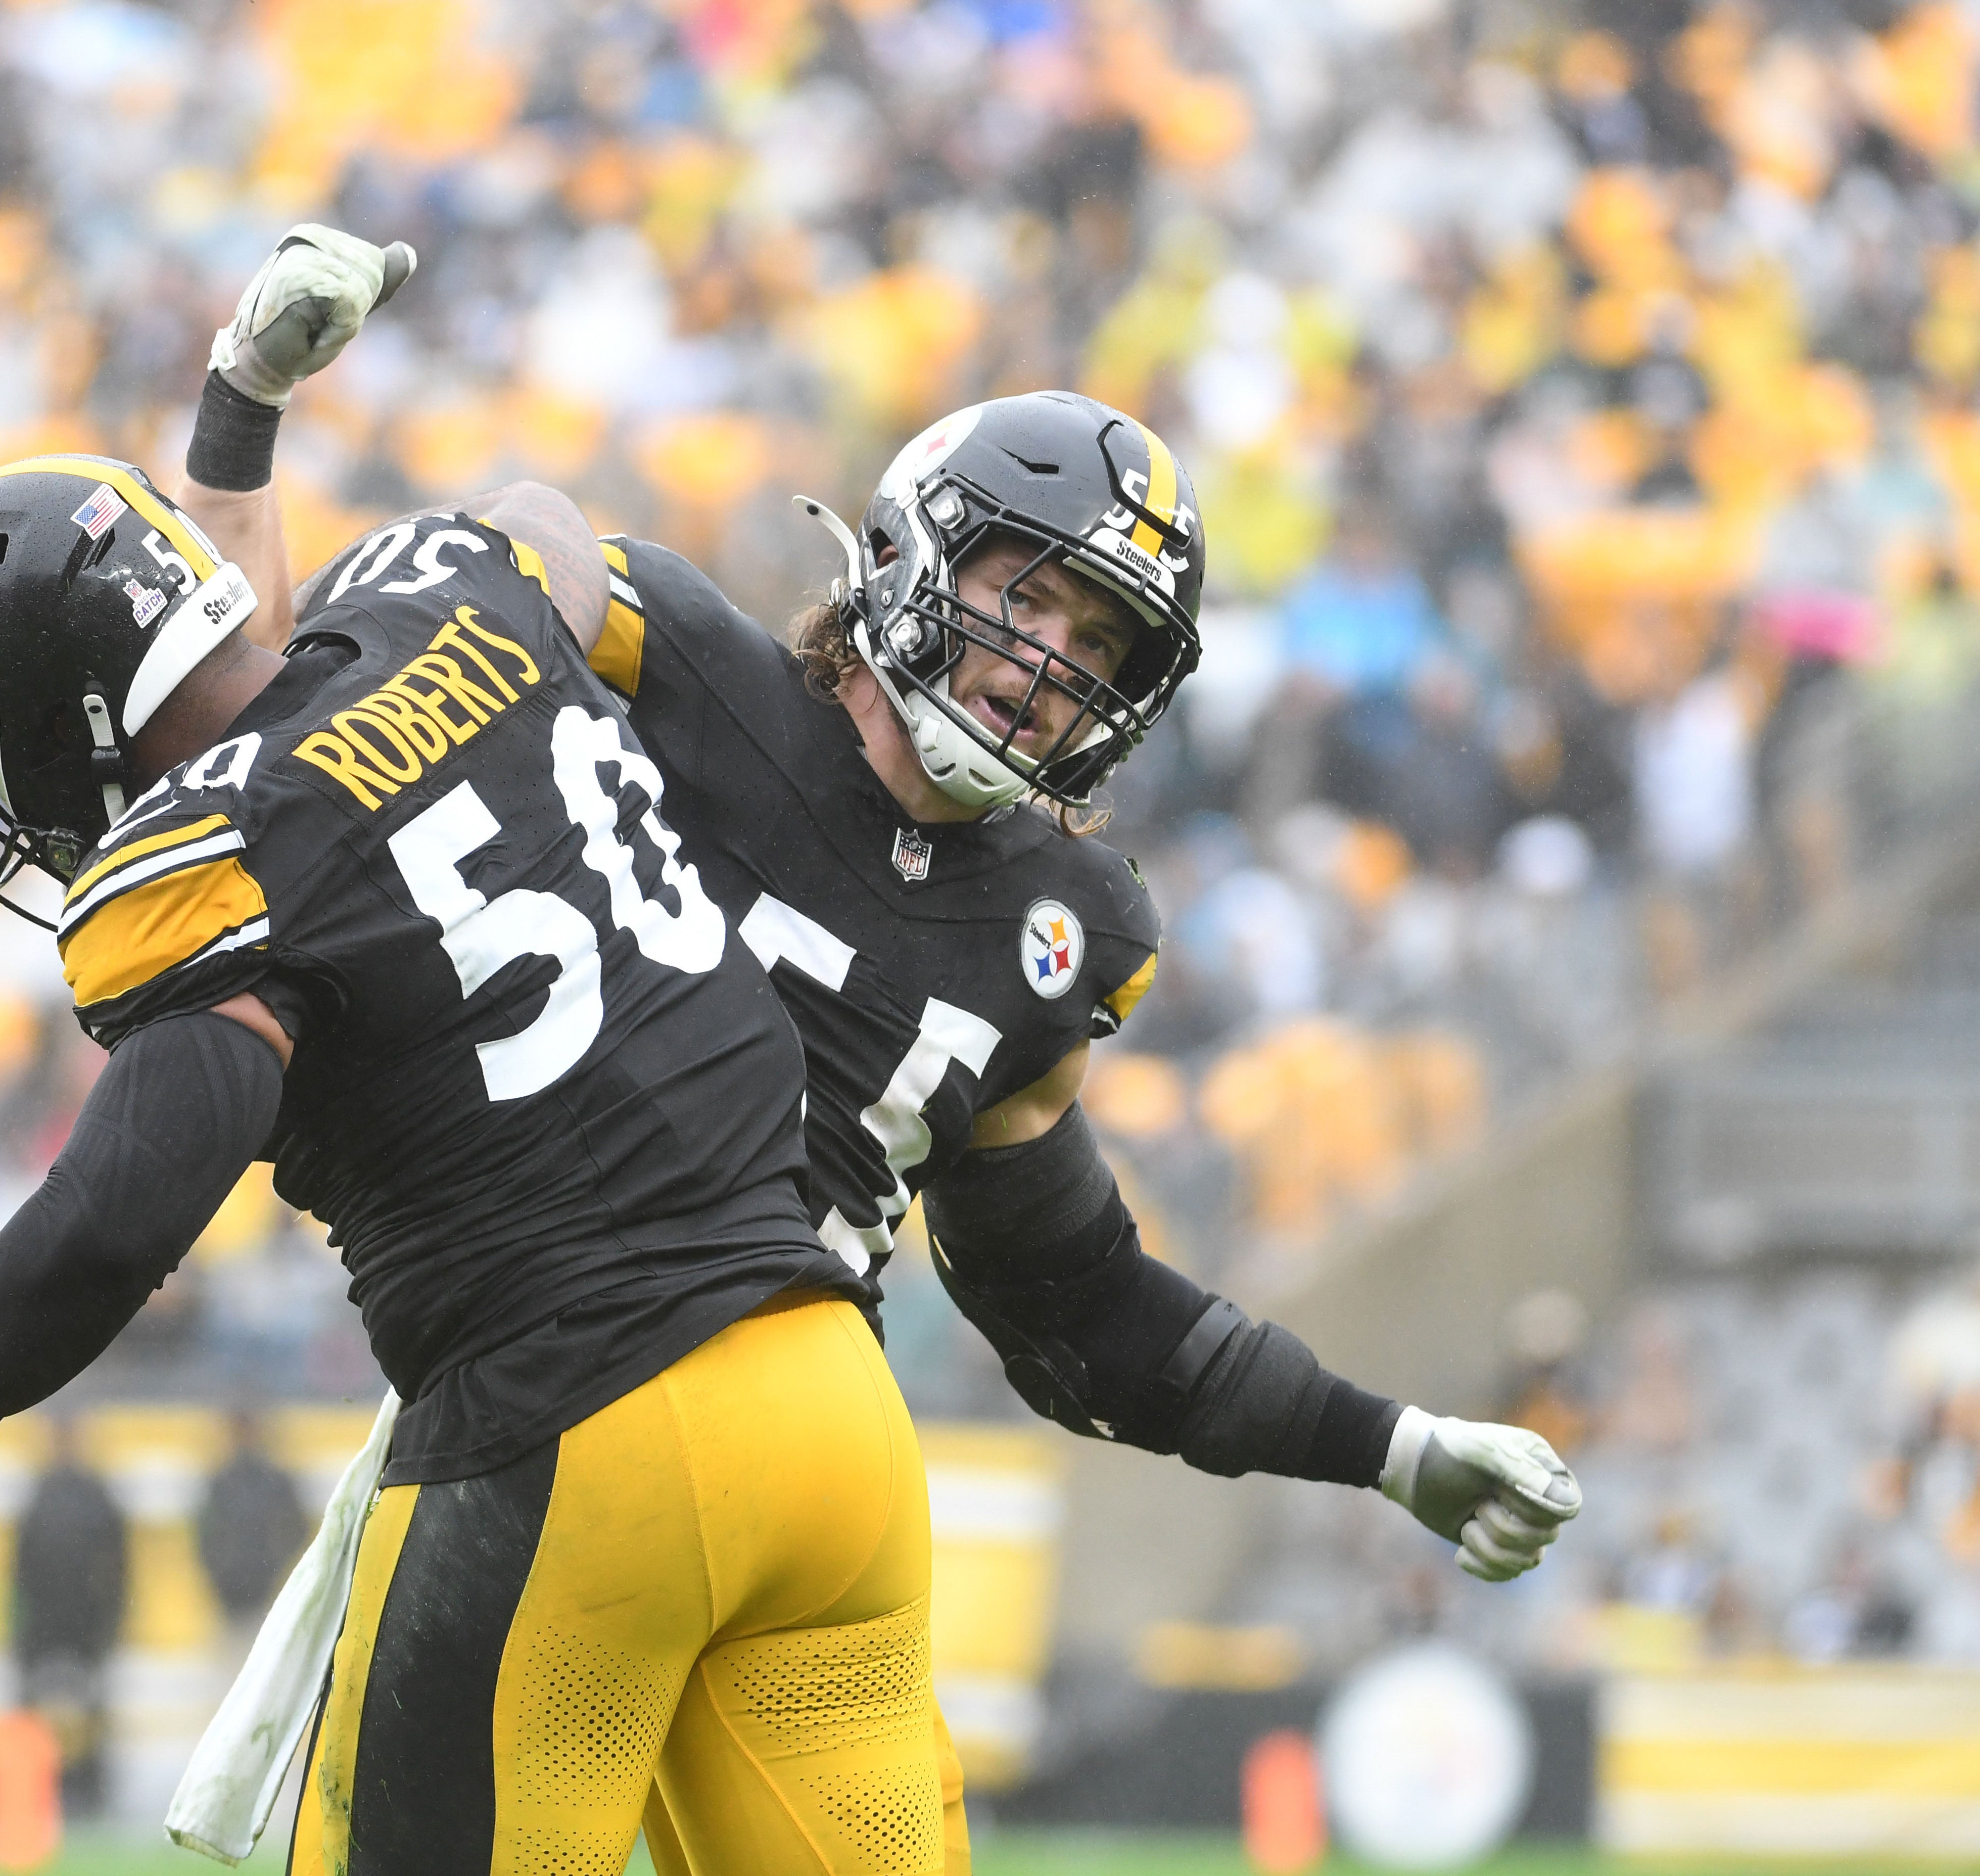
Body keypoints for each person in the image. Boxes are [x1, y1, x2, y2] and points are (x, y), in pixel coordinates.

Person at [247, 240, 1584, 1873]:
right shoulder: (678, 667)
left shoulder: (1061, 923)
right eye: (1031, 595)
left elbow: (1078, 1310)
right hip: (592, 1380)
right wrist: (300, 456)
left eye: (1100, 641)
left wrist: (1385, 1444)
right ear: (905, 552)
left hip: (740, 1430)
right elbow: (479, 582)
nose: (1048, 667)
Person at [0, 225, 949, 1874]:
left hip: (577, 1430)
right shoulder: (449, 593)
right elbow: (535, 544)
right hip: (830, 1407)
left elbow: (130, 1200)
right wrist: (241, 409)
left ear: (49, 727)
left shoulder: (197, 867)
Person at [10, 1412, 128, 1813]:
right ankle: (37, 1795)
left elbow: (116, 1565)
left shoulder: (92, 1495)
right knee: (37, 1716)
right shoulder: (41, 1492)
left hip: (83, 1626)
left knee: (91, 1715)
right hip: (48, 1627)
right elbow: (19, 1570)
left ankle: (90, 1795)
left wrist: (109, 1623)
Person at [193, 1404, 307, 1658]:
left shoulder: (275, 1481)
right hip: (232, 1598)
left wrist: (275, 1567)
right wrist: (221, 1573)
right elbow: (205, 1536)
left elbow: (296, 1530)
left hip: (269, 1595)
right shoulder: (221, 1483)